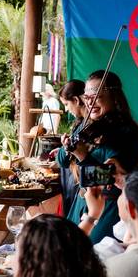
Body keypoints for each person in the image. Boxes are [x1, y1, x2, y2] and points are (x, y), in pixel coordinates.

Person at [66, 71, 138, 244]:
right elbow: (62, 161)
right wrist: (67, 148)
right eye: (86, 97)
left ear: (114, 97)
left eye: (96, 96)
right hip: (82, 201)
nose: (89, 102)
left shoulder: (125, 132)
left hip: (106, 205)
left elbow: (108, 176)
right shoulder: (87, 125)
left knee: (90, 253)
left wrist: (82, 156)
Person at [55, 80, 86, 217]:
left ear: (76, 100)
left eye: (67, 104)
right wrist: (65, 148)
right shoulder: (80, 125)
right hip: (75, 180)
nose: (66, 109)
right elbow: (62, 160)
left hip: (81, 184)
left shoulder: (87, 125)